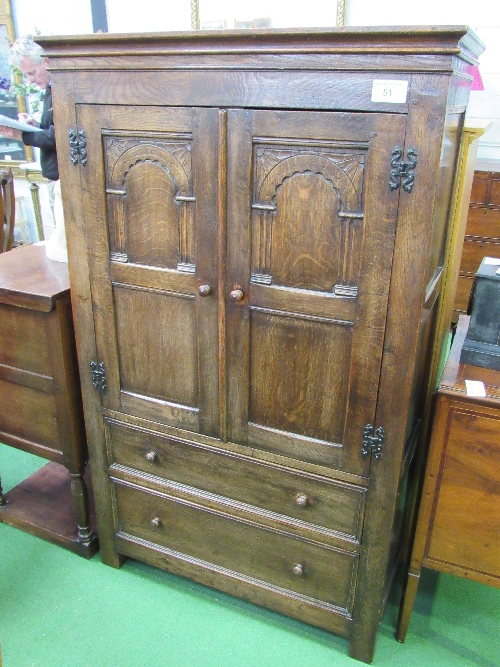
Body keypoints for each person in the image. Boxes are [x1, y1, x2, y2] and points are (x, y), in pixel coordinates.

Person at [0, 35, 66, 261]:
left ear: (46, 61)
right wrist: (34, 127)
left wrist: (23, 135)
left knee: (61, 250)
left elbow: (60, 137)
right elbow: (51, 130)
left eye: (31, 73)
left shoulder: (63, 88)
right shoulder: (51, 90)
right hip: (55, 178)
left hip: (64, 181)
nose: (30, 79)